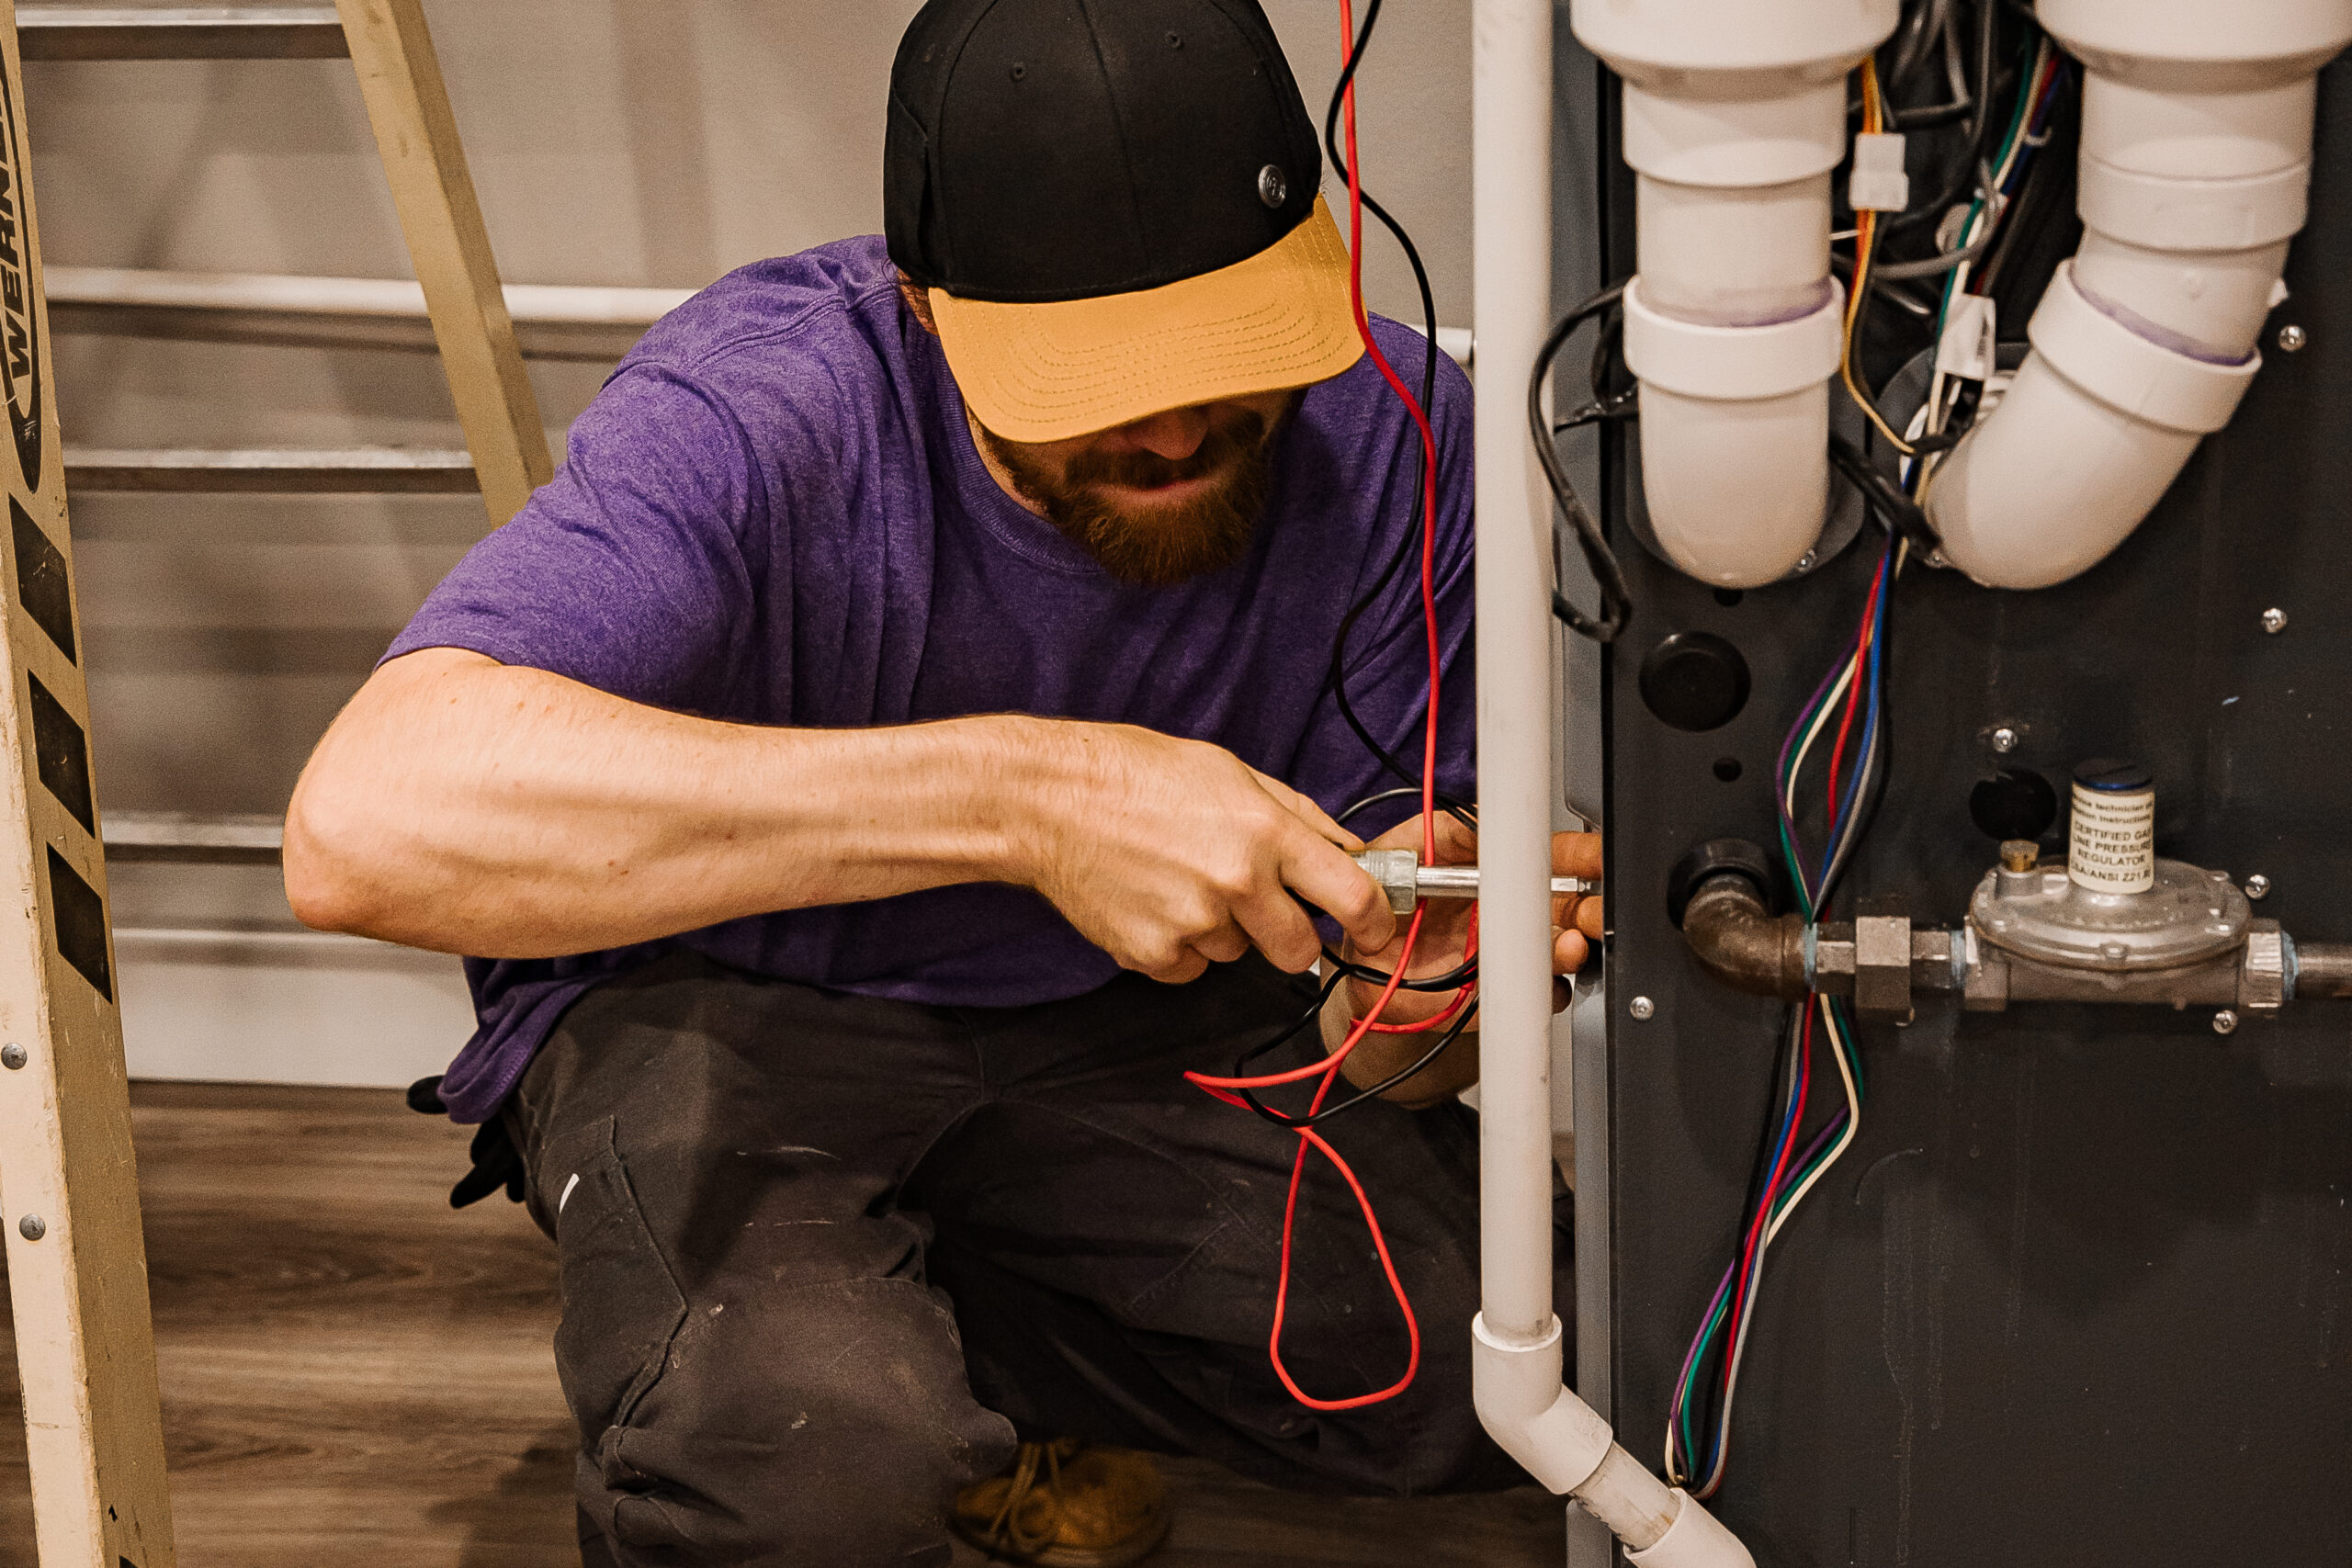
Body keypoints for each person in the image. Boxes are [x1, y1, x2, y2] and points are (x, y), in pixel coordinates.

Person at [284, 1, 1600, 1563]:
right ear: (924, 307)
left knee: (1525, 1358)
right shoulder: (767, 407)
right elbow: (360, 826)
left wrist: (1415, 1000)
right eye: (1095, 372)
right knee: (806, 1474)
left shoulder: (1397, 448)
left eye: (1225, 347)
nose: (1177, 421)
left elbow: (1357, 1048)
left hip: (1136, 1023)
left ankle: (934, 1330)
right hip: (728, 1003)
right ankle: (852, 1356)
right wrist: (1025, 799)